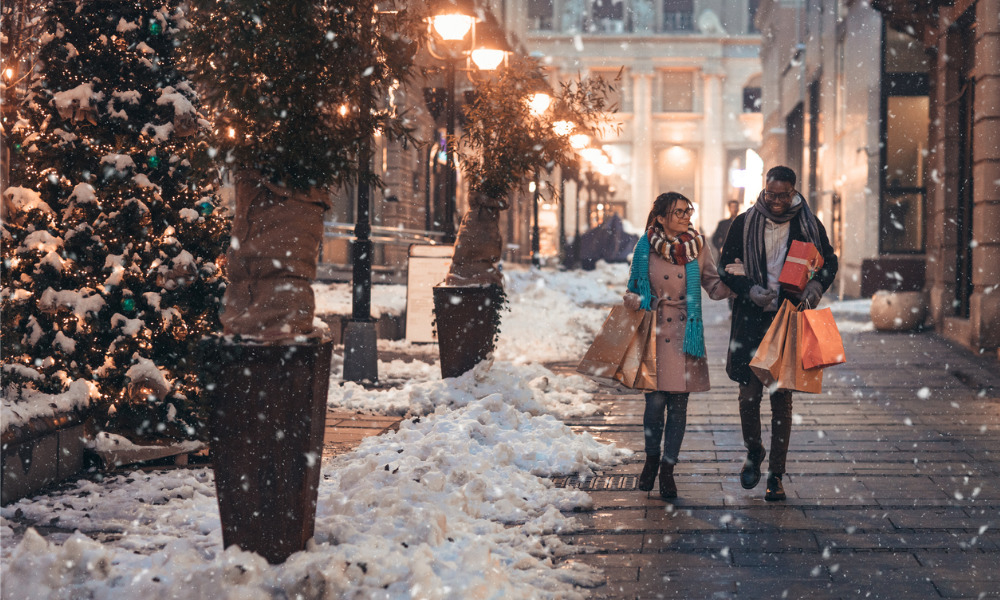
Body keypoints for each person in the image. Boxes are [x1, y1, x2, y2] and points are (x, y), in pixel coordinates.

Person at [717, 166, 838, 501]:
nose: (777, 201)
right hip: (751, 323)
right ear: (764, 189)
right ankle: (755, 453)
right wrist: (749, 289)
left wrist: (815, 285)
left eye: (783, 195)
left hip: (787, 320)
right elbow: (725, 267)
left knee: (781, 401)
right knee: (748, 398)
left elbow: (829, 262)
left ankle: (776, 475)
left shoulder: (807, 223)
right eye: (771, 194)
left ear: (794, 191)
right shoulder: (744, 222)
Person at [623, 192, 733, 499]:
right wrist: (639, 299)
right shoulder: (644, 246)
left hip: (686, 331)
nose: (686, 216)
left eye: (688, 211)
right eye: (679, 212)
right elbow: (633, 289)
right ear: (660, 217)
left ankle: (668, 470)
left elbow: (712, 284)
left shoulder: (697, 246)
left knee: (679, 406)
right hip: (656, 330)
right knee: (655, 403)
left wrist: (736, 282)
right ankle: (651, 460)